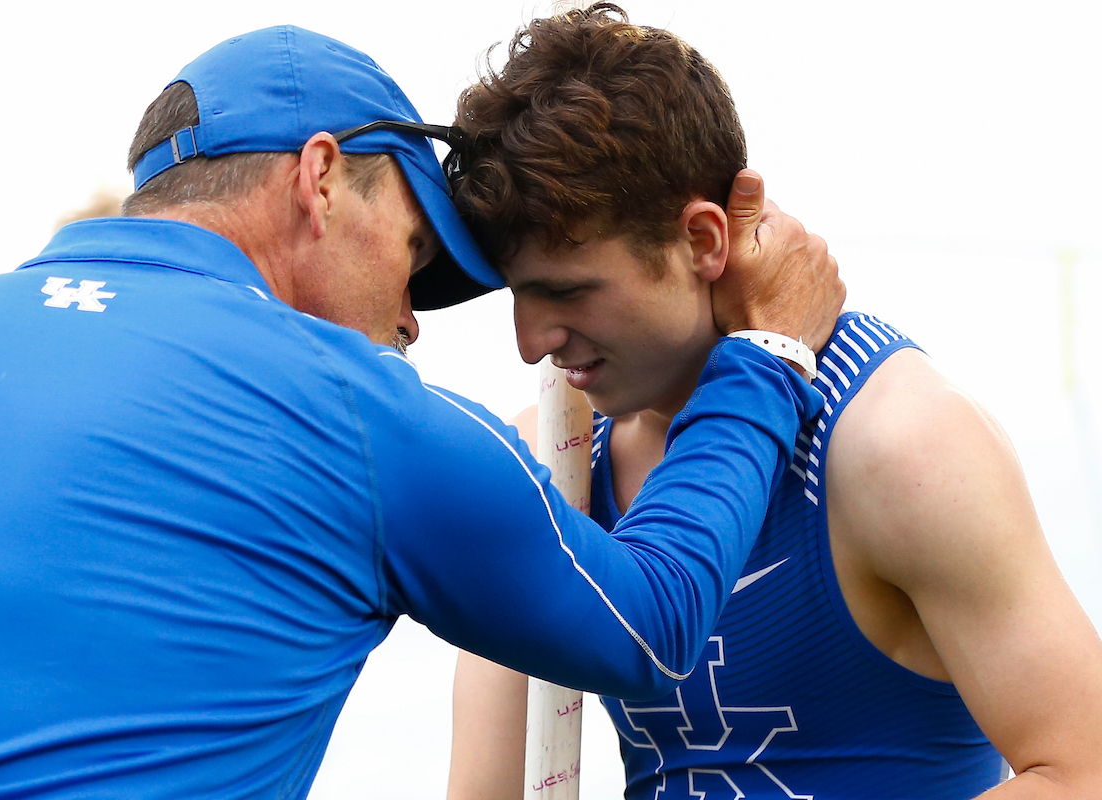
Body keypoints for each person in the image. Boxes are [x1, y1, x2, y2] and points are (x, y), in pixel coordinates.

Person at [0, 24, 844, 800]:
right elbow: (655, 621)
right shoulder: (359, 411)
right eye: (412, 250)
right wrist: (769, 356)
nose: (407, 323)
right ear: (318, 179)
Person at [445, 5, 1102, 800]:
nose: (531, 341)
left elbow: (1080, 771)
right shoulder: (543, 475)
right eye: (518, 294)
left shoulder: (900, 446)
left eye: (568, 291)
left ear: (703, 241)